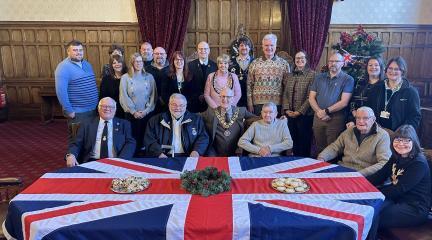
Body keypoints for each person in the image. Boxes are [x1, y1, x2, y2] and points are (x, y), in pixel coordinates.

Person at [367, 125, 431, 230]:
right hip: (396, 199)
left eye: (406, 140)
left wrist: (374, 193)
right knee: (368, 209)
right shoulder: (396, 156)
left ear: (413, 142)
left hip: (415, 207)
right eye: (398, 139)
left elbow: (399, 189)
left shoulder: (419, 163)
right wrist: (359, 182)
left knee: (373, 216)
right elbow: (379, 176)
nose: (401, 144)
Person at [317, 107, 391, 176]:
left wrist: (359, 174)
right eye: (358, 118)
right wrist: (322, 157)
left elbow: (384, 162)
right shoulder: (350, 130)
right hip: (343, 169)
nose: (361, 121)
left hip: (364, 174)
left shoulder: (382, 135)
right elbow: (335, 147)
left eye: (365, 118)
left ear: (373, 119)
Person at [65, 97, 136, 167]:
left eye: (111, 107)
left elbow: (130, 143)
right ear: (98, 109)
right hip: (91, 162)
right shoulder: (87, 124)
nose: (107, 109)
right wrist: (71, 155)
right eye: (104, 106)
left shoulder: (124, 124)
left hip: (116, 162)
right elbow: (76, 143)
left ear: (115, 109)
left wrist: (122, 160)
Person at [309, 52, 355, 154]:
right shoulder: (319, 77)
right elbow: (311, 98)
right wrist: (319, 112)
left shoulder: (348, 79)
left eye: (336, 61)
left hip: (335, 119)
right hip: (318, 117)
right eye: (331, 61)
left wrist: (326, 111)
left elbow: (344, 102)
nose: (333, 63)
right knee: (319, 147)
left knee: (333, 149)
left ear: (342, 63)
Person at [55, 40, 98, 143]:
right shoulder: (63, 68)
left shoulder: (87, 64)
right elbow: (61, 92)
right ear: (68, 52)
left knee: (91, 139)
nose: (79, 52)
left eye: (80, 50)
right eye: (75, 50)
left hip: (93, 110)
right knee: (77, 140)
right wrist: (69, 110)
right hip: (77, 112)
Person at [366, 56, 421, 133]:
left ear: (402, 71)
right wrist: (375, 128)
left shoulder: (411, 92)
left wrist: (401, 133)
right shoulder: (376, 88)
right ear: (386, 69)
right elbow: (369, 110)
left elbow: (414, 117)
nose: (392, 71)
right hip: (377, 132)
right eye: (390, 68)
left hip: (399, 135)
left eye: (396, 69)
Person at [144, 93, 209, 158]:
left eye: (181, 105)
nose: (178, 108)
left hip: (189, 156)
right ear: (169, 105)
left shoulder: (196, 120)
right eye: (174, 105)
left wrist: (196, 151)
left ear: (186, 106)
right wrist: (159, 153)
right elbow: (149, 140)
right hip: (163, 156)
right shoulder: (154, 120)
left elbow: (203, 137)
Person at [119, 53, 157, 155]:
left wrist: (145, 111)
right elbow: (124, 97)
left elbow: (153, 96)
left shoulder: (149, 77)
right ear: (132, 63)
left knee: (146, 140)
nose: (139, 63)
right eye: (136, 61)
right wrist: (134, 111)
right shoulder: (125, 78)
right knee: (133, 141)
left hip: (147, 115)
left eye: (140, 61)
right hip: (131, 115)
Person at [201, 88, 256, 156]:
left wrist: (270, 116)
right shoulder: (210, 112)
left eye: (228, 97)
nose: (225, 99)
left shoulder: (241, 111)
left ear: (233, 98)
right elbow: (196, 117)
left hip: (236, 153)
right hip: (215, 154)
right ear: (219, 98)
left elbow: (256, 119)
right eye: (223, 96)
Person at [282, 50, 316, 157]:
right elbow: (286, 93)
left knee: (304, 142)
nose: (299, 60)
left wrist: (299, 112)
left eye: (302, 58)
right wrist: (287, 110)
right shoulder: (289, 75)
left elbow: (310, 97)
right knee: (292, 141)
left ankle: (304, 164)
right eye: (297, 58)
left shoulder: (313, 75)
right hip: (290, 114)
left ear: (306, 60)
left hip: (305, 115)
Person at [247, 33, 290, 114]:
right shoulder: (254, 63)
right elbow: (249, 85)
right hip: (258, 104)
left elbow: (287, 87)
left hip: (277, 104)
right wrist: (250, 103)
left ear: (275, 46)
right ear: (262, 46)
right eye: (266, 45)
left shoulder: (284, 64)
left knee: (275, 127)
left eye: (271, 45)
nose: (269, 48)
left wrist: (285, 105)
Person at [346, 57, 385, 127]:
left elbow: (387, 108)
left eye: (376, 65)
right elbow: (352, 102)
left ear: (381, 67)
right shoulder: (360, 82)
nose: (373, 67)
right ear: (367, 68)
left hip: (379, 123)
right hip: (359, 121)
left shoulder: (385, 84)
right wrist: (354, 119)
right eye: (370, 65)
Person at [186, 41, 217, 113]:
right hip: (194, 101)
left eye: (205, 49)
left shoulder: (215, 66)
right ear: (197, 50)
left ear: (209, 50)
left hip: (210, 102)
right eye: (200, 49)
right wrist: (198, 95)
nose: (203, 51)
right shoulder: (190, 65)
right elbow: (188, 84)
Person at [100, 54, 128, 118]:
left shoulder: (128, 77)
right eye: (114, 63)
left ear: (123, 64)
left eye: (119, 62)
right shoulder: (106, 79)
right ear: (111, 65)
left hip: (127, 111)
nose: (117, 64)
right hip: (111, 111)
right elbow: (102, 96)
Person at [229, 37, 254, 107]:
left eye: (246, 45)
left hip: (252, 97)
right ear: (238, 48)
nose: (244, 47)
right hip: (235, 97)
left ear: (250, 48)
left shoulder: (255, 62)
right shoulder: (230, 62)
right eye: (241, 45)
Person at [145, 46, 170, 112]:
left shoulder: (172, 69)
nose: (159, 55)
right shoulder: (146, 69)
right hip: (150, 104)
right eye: (157, 54)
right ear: (153, 55)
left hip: (168, 104)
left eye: (161, 54)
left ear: (166, 55)